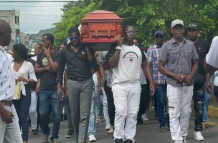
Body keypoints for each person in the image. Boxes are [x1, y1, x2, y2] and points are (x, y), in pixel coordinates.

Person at [105, 25, 155, 143]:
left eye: (133, 32)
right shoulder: (115, 47)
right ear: (124, 33)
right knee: (121, 111)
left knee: (132, 113)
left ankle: (129, 137)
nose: (131, 34)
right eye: (129, 32)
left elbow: (144, 65)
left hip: (135, 84)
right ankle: (118, 136)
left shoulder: (138, 48)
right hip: (119, 84)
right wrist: (118, 47)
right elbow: (111, 64)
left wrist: (151, 82)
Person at [158, 19, 199, 143]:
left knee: (186, 112)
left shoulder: (190, 45)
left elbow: (196, 63)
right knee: (174, 112)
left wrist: (191, 76)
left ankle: (183, 136)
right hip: (174, 84)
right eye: (176, 28)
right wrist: (175, 76)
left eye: (180, 27)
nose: (178, 30)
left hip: (188, 84)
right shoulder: (167, 46)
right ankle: (177, 139)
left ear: (183, 29)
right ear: (171, 30)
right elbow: (160, 66)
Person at [57, 27, 99, 143]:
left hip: (86, 82)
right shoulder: (64, 51)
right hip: (72, 82)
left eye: (76, 36)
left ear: (80, 36)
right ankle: (78, 139)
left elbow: (94, 66)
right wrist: (59, 86)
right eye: (72, 37)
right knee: (75, 115)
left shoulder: (86, 47)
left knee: (84, 115)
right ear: (69, 38)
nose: (74, 39)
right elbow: (60, 70)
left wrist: (87, 49)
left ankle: (81, 141)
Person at [35, 33, 61, 143]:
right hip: (44, 88)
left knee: (56, 114)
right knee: (42, 112)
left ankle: (54, 136)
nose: (41, 43)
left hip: (55, 87)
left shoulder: (57, 54)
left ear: (49, 42)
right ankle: (46, 131)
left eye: (43, 40)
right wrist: (46, 68)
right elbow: (36, 69)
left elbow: (55, 69)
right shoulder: (40, 55)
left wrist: (48, 55)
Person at [0, 19, 23, 143]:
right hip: (1, 107)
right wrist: (3, 111)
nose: (11, 37)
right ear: (3, 33)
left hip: (9, 106)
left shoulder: (4, 54)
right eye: (10, 33)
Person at [187, 22, 211, 141]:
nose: (191, 32)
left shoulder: (205, 45)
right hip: (185, 80)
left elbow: (209, 64)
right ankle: (183, 131)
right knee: (184, 108)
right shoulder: (184, 44)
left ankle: (198, 131)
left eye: (193, 30)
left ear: (198, 32)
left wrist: (208, 80)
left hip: (200, 79)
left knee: (199, 106)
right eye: (189, 30)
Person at [11, 44, 37, 143]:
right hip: (13, 91)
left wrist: (25, 79)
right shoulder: (10, 63)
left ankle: (25, 140)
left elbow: (34, 80)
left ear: (18, 52)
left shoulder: (28, 64)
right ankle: (17, 139)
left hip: (24, 91)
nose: (12, 53)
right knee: (15, 117)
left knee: (22, 116)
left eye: (14, 51)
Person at [147, 30, 168, 132]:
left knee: (170, 102)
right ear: (155, 38)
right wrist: (152, 81)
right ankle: (162, 124)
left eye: (160, 37)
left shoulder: (168, 47)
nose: (159, 38)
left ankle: (169, 122)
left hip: (170, 80)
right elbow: (149, 66)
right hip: (158, 80)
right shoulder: (151, 49)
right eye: (157, 37)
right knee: (161, 102)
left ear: (163, 38)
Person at [99, 50, 115, 134]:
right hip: (109, 81)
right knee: (110, 104)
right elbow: (101, 65)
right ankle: (112, 125)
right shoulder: (102, 50)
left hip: (121, 79)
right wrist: (103, 79)